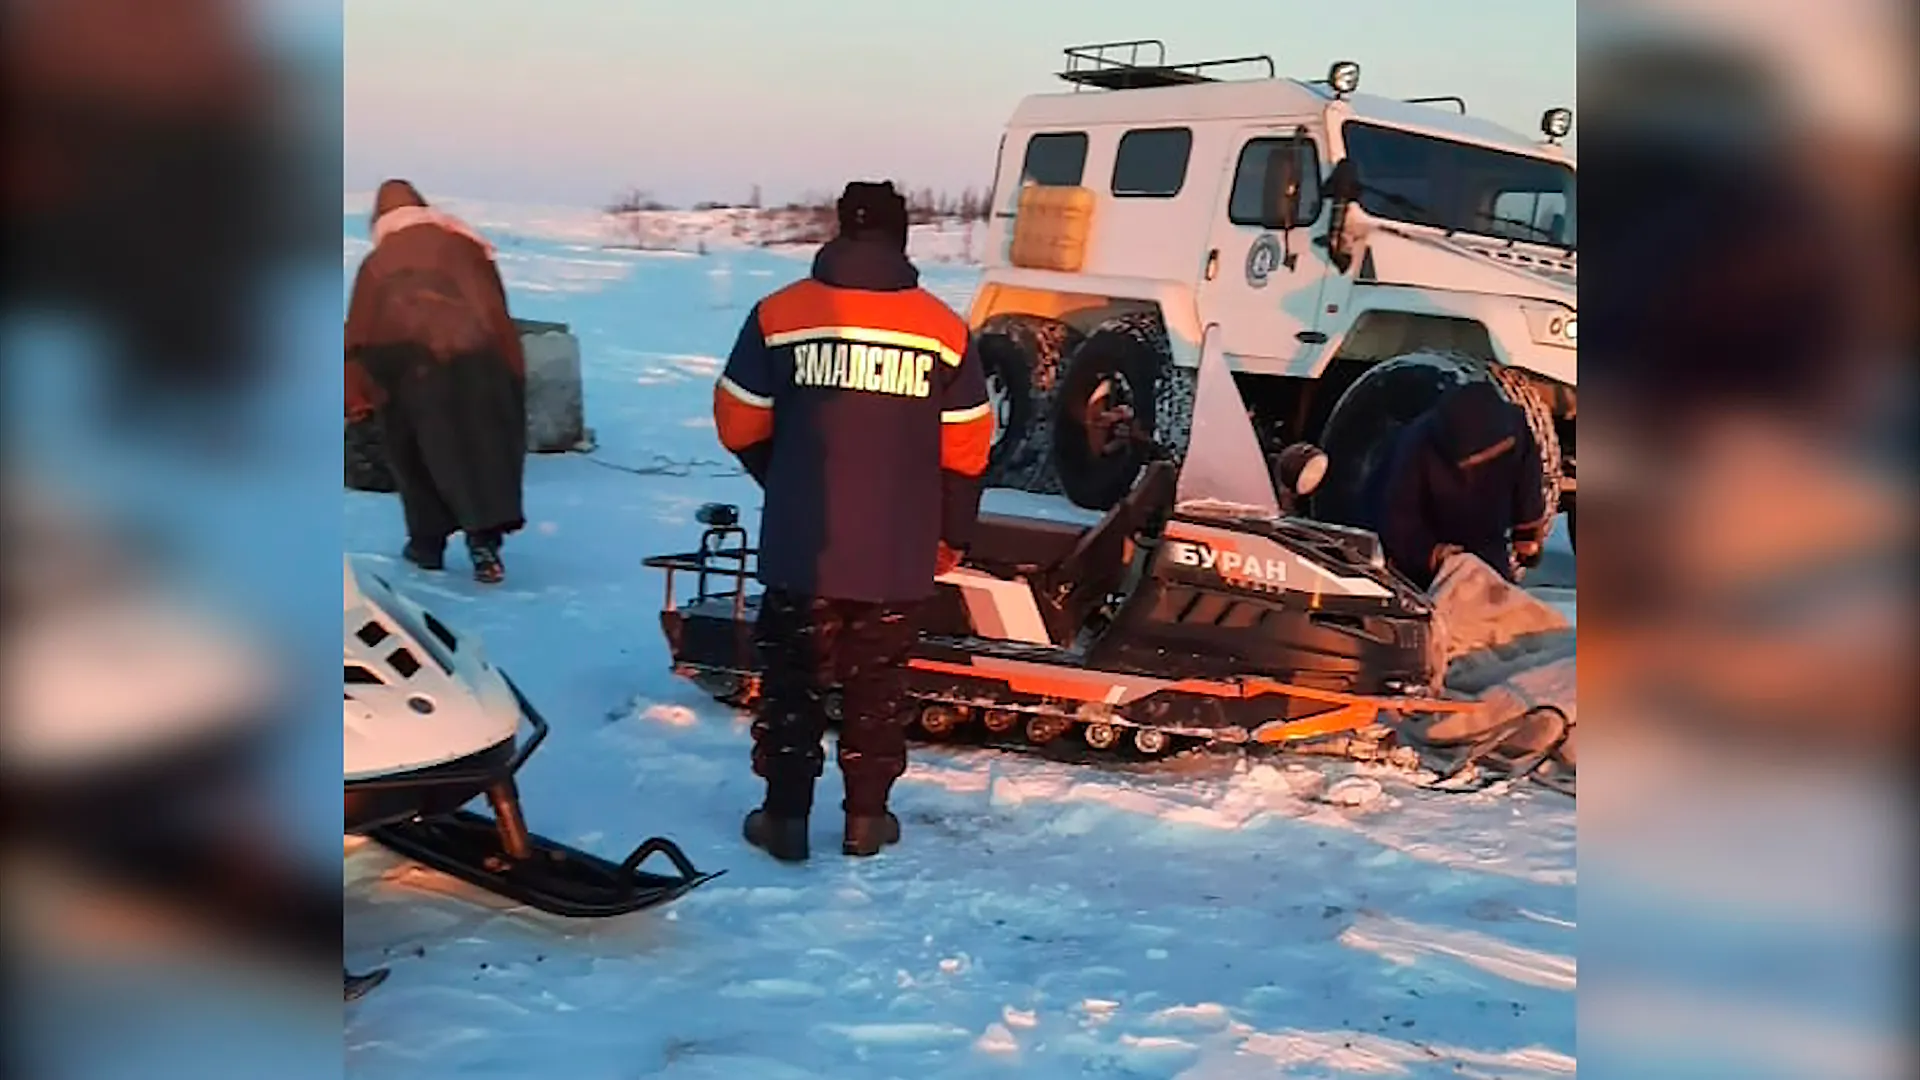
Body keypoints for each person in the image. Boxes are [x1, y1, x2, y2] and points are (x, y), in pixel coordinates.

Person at [712, 181, 992, 862]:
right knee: (877, 684)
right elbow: (968, 446)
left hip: (803, 545)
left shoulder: (780, 314)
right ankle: (867, 820)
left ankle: (784, 820)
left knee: (792, 680)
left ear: (839, 229)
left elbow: (736, 419)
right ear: (901, 238)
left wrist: (783, 478)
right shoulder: (944, 328)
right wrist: (952, 532)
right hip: (896, 551)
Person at [345, 180, 527, 584]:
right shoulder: (467, 247)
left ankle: (427, 546)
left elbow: (361, 332)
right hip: (481, 367)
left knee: (419, 460)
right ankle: (485, 543)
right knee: (484, 454)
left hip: (412, 376)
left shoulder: (379, 262)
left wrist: (357, 393)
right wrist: (512, 370)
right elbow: (495, 311)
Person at [1368, 380, 1551, 592]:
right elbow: (1397, 519)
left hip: (1487, 535)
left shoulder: (1514, 428)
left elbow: (1527, 482)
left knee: (1496, 596)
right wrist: (1432, 554)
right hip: (1429, 536)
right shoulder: (1414, 448)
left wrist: (1526, 533)